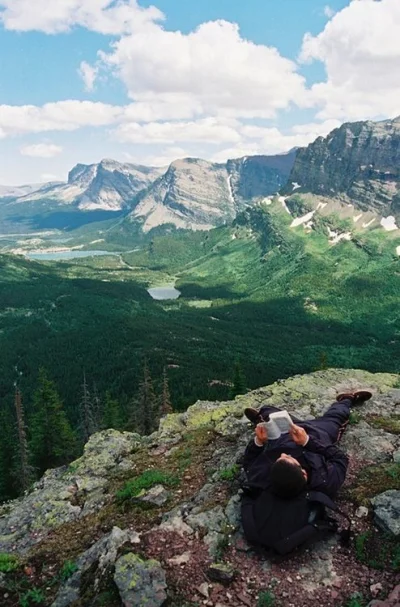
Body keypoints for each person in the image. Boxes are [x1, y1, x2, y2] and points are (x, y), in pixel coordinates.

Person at [240, 389, 372, 553]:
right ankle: (347, 398)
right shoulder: (324, 480)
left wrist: (258, 442)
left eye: (281, 458)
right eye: (287, 458)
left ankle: (261, 418)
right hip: (318, 433)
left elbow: (249, 463)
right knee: (336, 417)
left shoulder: (265, 475)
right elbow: (341, 458)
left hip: (282, 434)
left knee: (268, 410)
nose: (283, 454)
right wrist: (308, 441)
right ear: (303, 473)